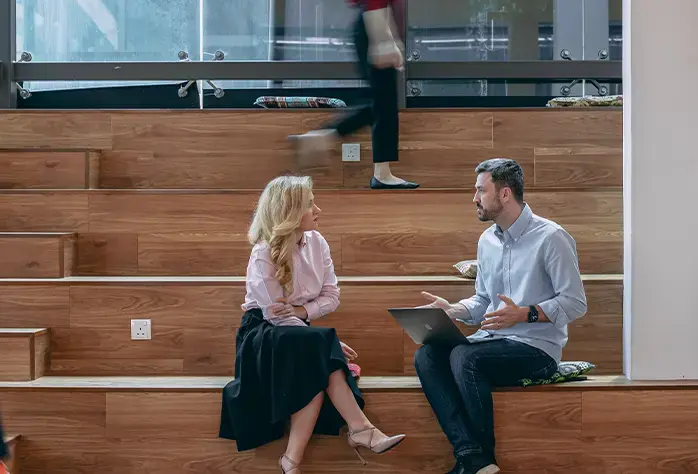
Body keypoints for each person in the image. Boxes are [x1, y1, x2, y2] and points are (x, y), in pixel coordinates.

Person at [219, 175, 405, 473]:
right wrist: (319, 340)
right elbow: (274, 315)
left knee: (312, 361)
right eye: (309, 204)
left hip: (296, 333)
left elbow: (332, 297)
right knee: (315, 354)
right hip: (262, 336)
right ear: (289, 212)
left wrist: (305, 316)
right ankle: (359, 430)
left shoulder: (318, 243)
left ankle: (293, 461)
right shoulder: (263, 253)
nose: (318, 209)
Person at [413, 158, 588, 474]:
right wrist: (452, 310)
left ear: (505, 194)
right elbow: (483, 301)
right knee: (427, 355)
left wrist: (524, 314)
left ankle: (481, 458)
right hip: (492, 342)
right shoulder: (486, 241)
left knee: (465, 358)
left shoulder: (552, 238)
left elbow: (575, 303)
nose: (474, 198)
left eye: (481, 190)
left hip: (536, 350)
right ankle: (472, 456)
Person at [289, 0, 419, 190]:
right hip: (374, 24)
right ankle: (326, 137)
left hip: (375, 23)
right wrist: (383, 40)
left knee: (382, 104)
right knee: (384, 104)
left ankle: (325, 137)